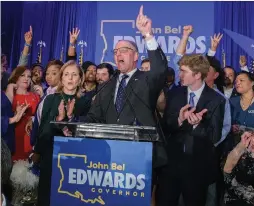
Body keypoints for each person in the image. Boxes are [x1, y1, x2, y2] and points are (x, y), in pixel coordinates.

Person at [156, 54, 226, 206]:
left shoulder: (216, 99)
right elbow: (166, 126)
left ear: (197, 75)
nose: (179, 74)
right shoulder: (174, 94)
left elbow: (215, 136)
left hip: (198, 169)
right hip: (171, 166)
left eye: (183, 71)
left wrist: (197, 125)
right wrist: (179, 120)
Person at [86, 6, 167, 128]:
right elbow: (94, 118)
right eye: (115, 51)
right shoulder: (106, 86)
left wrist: (147, 35)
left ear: (135, 56)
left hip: (141, 144)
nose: (118, 54)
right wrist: (71, 119)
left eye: (124, 50)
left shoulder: (146, 80)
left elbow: (159, 69)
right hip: (110, 144)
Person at [34, 60, 91, 206]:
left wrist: (71, 118)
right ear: (62, 78)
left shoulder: (86, 102)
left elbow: (87, 131)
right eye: (66, 74)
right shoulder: (51, 99)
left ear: (80, 79)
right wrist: (58, 119)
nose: (70, 78)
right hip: (50, 155)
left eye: (74, 75)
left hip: (75, 158)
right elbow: (43, 129)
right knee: (47, 195)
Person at [5, 66, 41, 161]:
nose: (26, 78)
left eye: (29, 76)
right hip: (14, 138)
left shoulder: (36, 96)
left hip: (31, 138)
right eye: (23, 75)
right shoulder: (9, 96)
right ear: (16, 77)